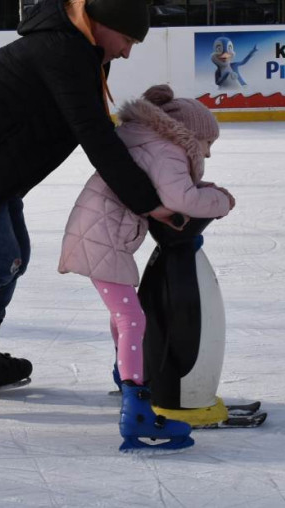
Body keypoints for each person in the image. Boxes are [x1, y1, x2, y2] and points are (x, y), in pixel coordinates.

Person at [0, 0, 182, 402]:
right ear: (107, 26)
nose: (126, 53)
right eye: (128, 40)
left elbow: (93, 128)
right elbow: (94, 135)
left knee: (14, 257)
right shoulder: (65, 51)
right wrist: (148, 201)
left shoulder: (79, 48)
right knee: (0, 260)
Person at [58, 84, 236, 450]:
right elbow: (179, 197)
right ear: (190, 135)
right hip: (101, 238)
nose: (208, 153)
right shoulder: (168, 150)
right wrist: (220, 199)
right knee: (131, 319)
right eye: (207, 144)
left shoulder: (150, 142)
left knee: (123, 316)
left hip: (98, 232)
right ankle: (136, 409)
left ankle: (126, 375)